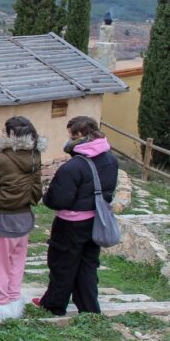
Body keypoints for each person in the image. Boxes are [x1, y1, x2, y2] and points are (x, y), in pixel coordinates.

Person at [35, 116, 118, 316]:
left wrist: (46, 196)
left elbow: (58, 200)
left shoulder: (74, 166)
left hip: (70, 224)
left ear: (80, 135)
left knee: (62, 264)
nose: (68, 139)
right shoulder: (111, 160)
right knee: (87, 264)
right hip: (96, 221)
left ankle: (54, 305)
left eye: (71, 135)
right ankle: (89, 309)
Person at [0, 117, 45, 320]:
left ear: (11, 135)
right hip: (24, 216)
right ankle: (13, 300)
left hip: (2, 217)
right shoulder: (35, 156)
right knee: (16, 262)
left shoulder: (4, 160)